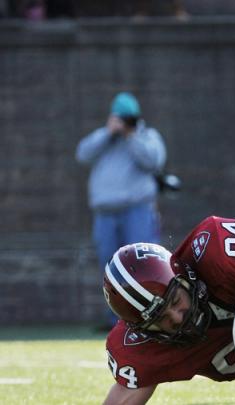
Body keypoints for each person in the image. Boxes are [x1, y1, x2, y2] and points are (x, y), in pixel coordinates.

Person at [100, 215, 235, 404]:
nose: (178, 317)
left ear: (185, 277)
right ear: (144, 330)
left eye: (176, 300)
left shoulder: (216, 258)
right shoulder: (142, 347)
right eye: (159, 319)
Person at [76, 91, 167, 330]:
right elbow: (82, 153)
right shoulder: (104, 138)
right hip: (105, 213)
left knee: (144, 265)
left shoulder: (147, 136)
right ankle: (115, 320)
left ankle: (147, 318)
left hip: (137, 211)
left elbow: (154, 161)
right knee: (109, 267)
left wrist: (131, 136)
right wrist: (109, 132)